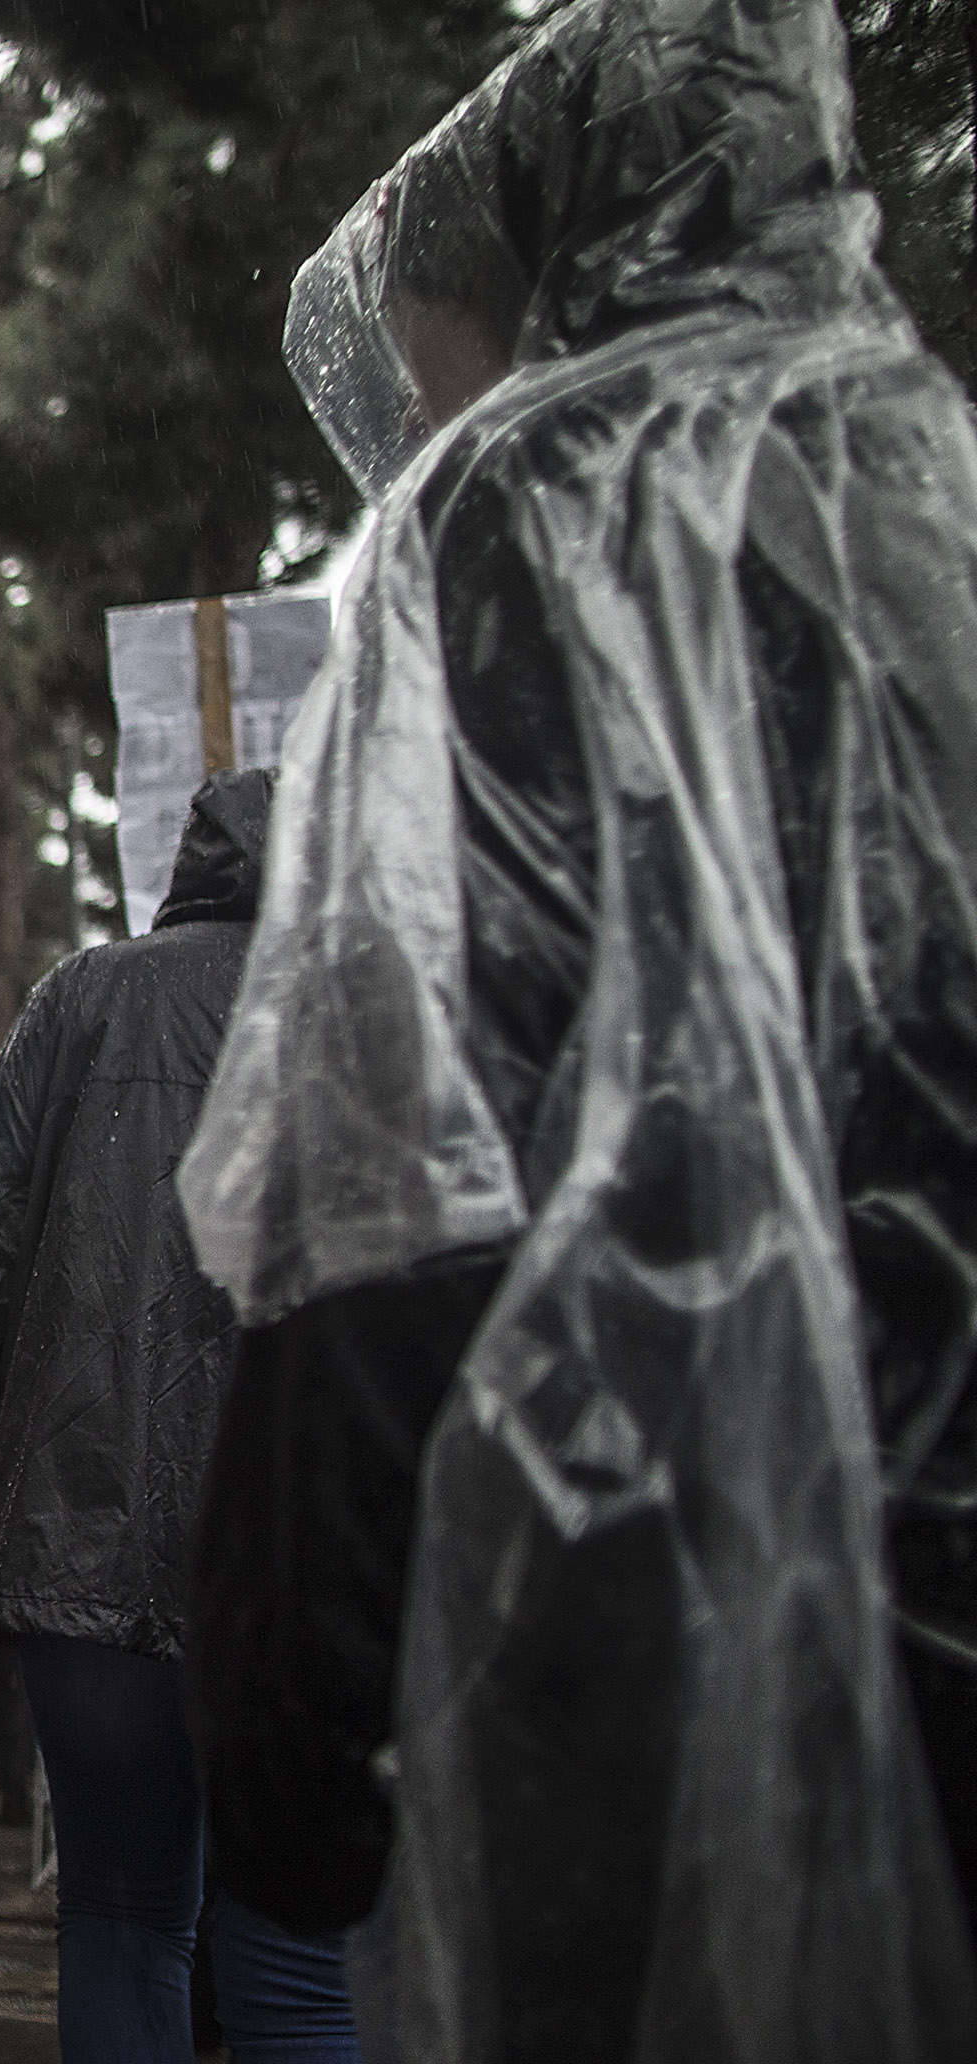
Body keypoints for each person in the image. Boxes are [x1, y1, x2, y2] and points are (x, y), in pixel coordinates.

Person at [176, 2, 977, 2055]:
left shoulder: (524, 506)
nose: (423, 415)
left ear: (544, 275)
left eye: (435, 358)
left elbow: (385, 1161)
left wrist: (291, 1707)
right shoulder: (939, 481)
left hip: (621, 1596)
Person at [0, 771, 358, 2063]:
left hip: (86, 1548)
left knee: (122, 1918)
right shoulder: (371, 1004)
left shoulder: (87, 999)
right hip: (313, 1564)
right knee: (299, 1958)